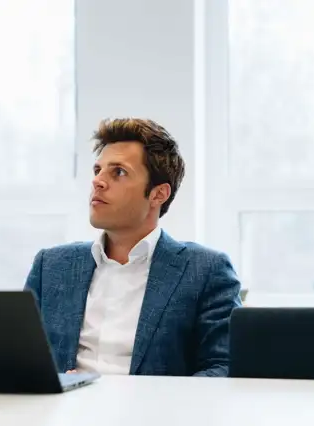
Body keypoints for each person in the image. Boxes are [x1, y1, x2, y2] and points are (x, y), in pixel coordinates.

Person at [24, 118, 242, 377]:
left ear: (158, 194)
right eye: (98, 170)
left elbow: (223, 367)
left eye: (119, 172)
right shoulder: (51, 265)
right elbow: (18, 358)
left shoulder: (205, 270)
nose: (98, 182)